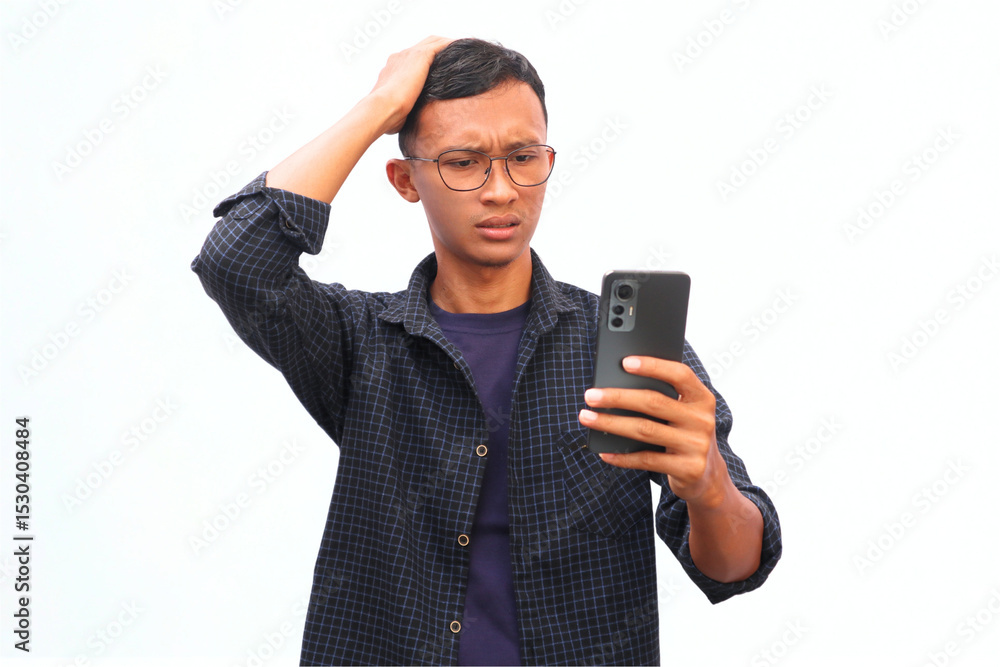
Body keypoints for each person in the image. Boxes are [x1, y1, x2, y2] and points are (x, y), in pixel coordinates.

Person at [192, 36, 781, 666]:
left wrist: (709, 487)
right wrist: (379, 107)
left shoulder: (622, 345)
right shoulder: (359, 341)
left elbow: (736, 567)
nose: (501, 190)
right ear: (405, 180)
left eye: (523, 157)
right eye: (463, 162)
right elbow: (236, 262)